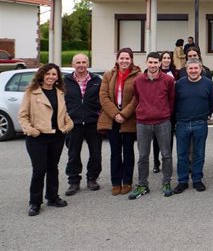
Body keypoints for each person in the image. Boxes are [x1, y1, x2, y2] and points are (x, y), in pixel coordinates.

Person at [19, 63, 74, 217]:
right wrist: (31, 131)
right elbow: (22, 116)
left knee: (53, 168)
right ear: (42, 75)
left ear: (58, 77)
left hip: (57, 137)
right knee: (39, 170)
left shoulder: (60, 93)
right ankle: (35, 203)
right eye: (48, 74)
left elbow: (64, 114)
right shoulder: (31, 93)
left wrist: (68, 125)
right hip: (37, 138)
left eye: (54, 74)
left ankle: (52, 197)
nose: (51, 77)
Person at [129, 52, 176, 199]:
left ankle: (166, 182)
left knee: (166, 154)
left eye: (156, 62)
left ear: (160, 63)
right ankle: (143, 184)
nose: (153, 65)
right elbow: (137, 97)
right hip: (143, 122)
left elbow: (171, 99)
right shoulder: (138, 81)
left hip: (163, 121)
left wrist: (164, 112)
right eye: (151, 62)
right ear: (146, 62)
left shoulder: (168, 80)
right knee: (143, 156)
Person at [98, 47, 141, 196]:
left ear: (131, 60)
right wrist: (116, 114)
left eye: (127, 58)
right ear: (117, 59)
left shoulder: (138, 76)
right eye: (121, 58)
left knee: (128, 151)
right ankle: (116, 182)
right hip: (112, 119)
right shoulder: (108, 75)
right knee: (115, 152)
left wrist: (124, 114)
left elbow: (138, 98)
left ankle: (127, 181)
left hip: (129, 118)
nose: (124, 61)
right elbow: (103, 96)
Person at [173, 58, 213, 194]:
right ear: (186, 70)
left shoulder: (208, 84)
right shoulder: (179, 84)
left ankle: (197, 179)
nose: (193, 71)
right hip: (182, 123)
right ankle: (183, 181)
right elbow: (174, 102)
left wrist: (207, 114)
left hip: (200, 123)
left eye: (195, 68)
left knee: (199, 153)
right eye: (190, 68)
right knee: (182, 155)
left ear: (200, 69)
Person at [63, 53, 102, 196]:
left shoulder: (96, 80)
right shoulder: (65, 81)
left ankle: (92, 178)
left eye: (84, 62)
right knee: (73, 154)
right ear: (73, 65)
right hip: (74, 123)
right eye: (78, 62)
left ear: (88, 64)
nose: (81, 65)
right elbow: (61, 103)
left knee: (96, 154)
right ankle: (73, 181)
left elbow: (102, 99)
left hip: (93, 122)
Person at [153, 50, 177, 173]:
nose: (167, 60)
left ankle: (167, 161)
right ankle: (156, 162)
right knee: (156, 138)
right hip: (157, 110)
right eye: (164, 58)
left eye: (169, 58)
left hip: (170, 110)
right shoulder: (155, 72)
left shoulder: (176, 73)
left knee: (169, 138)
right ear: (161, 60)